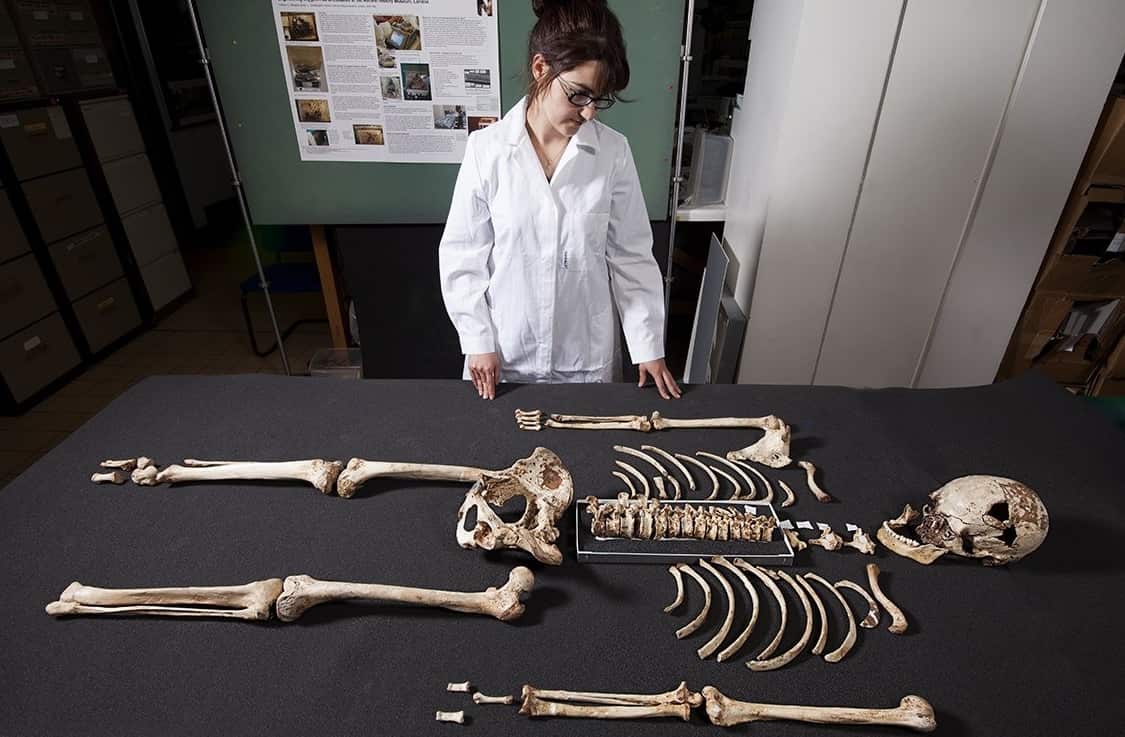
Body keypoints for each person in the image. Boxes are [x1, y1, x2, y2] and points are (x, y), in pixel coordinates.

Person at [439, 0, 681, 400]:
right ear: (540, 69)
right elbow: (462, 257)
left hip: (584, 355)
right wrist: (476, 338)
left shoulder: (612, 152)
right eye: (578, 95)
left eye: (598, 99)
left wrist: (648, 346)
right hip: (504, 353)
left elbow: (631, 256)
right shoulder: (488, 150)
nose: (588, 114)